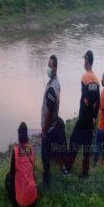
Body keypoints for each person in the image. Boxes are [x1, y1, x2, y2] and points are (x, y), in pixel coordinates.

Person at [67, 50, 100, 178]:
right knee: (87, 147)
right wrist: (94, 117)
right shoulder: (97, 80)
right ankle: (85, 174)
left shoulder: (84, 77)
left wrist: (89, 114)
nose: (83, 62)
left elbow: (86, 100)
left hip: (83, 119)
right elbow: (98, 101)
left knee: (74, 142)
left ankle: (68, 168)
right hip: (90, 120)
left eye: (84, 60)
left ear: (87, 61)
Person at [41, 55, 68, 188]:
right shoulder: (54, 82)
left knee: (45, 156)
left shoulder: (53, 87)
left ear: (56, 67)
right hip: (53, 125)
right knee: (52, 153)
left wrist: (44, 131)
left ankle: (46, 183)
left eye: (50, 66)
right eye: (48, 65)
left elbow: (48, 113)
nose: (48, 68)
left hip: (49, 128)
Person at [5, 122, 37, 207]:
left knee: (8, 176)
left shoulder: (15, 151)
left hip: (20, 201)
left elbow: (12, 172)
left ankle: (12, 200)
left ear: (19, 135)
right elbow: (33, 168)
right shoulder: (31, 149)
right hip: (33, 199)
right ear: (26, 134)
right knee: (33, 175)